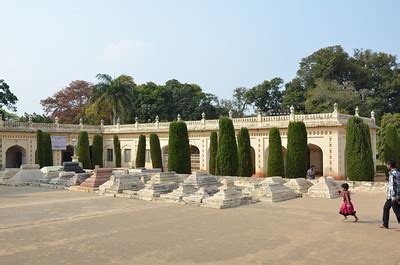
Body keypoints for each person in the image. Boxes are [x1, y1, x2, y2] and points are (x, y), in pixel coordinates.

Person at [380, 159, 400, 229]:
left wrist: (394, 197)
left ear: (390, 165)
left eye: (387, 165)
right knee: (386, 207)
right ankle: (385, 224)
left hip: (393, 196)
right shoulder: (398, 173)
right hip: (393, 195)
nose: (386, 166)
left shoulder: (392, 174)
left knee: (397, 210)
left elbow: (393, 186)